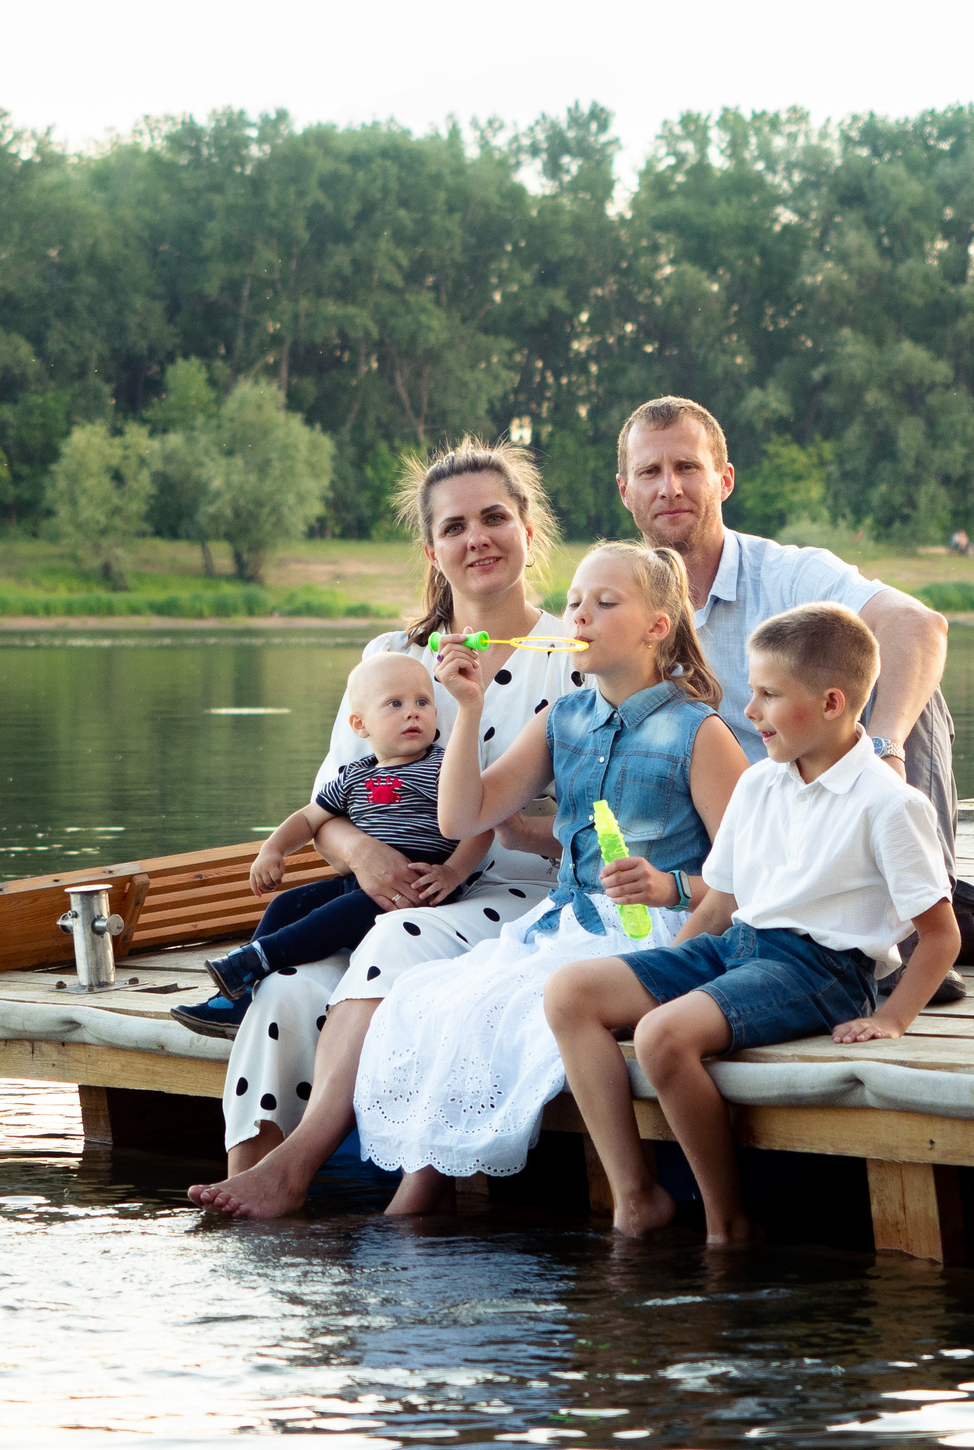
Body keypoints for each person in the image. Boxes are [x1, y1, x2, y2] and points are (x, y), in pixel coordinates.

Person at [189, 442, 575, 1218]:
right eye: (456, 526)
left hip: (517, 903)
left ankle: (296, 1171)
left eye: (496, 517)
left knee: (391, 946)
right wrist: (363, 854)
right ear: (433, 549)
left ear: (529, 530)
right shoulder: (393, 658)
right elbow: (328, 805)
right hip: (386, 893)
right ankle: (254, 1194)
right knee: (289, 993)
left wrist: (496, 833)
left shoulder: (574, 658)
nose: (479, 539)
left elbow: (603, 824)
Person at [348, 541, 748, 1209]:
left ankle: (629, 1196)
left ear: (657, 627)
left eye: (604, 602)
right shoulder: (562, 720)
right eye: (572, 603)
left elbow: (755, 877)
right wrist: (468, 709)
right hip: (568, 926)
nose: (579, 617)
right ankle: (419, 1203)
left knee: (517, 1004)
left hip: (666, 929)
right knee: (428, 997)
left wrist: (670, 887)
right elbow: (461, 817)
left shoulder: (697, 733)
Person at [545, 601, 958, 1243]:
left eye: (768, 694)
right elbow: (718, 903)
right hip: (739, 946)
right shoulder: (761, 784)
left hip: (820, 969)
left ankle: (727, 1221)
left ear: (830, 702)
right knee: (570, 992)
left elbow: (940, 934)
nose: (750, 710)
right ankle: (637, 1196)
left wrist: (891, 1017)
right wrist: (661, 975)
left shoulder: (890, 803)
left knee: (662, 1038)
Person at [612, 396, 974, 969]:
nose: (670, 487)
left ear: (724, 480)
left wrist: (885, 752)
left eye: (687, 468)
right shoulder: (616, 604)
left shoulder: (786, 575)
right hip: (730, 845)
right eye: (650, 472)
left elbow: (919, 626)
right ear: (625, 491)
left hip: (835, 817)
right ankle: (941, 920)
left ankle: (917, 932)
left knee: (897, 683)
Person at [174, 654, 490, 1033]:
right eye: (395, 704)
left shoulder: (443, 766)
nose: (413, 713)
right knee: (287, 903)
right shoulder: (353, 776)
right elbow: (309, 818)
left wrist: (452, 872)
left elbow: (480, 824)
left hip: (418, 888)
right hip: (360, 882)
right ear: (359, 724)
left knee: (340, 915)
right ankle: (236, 1000)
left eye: (423, 703)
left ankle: (256, 960)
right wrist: (272, 849)